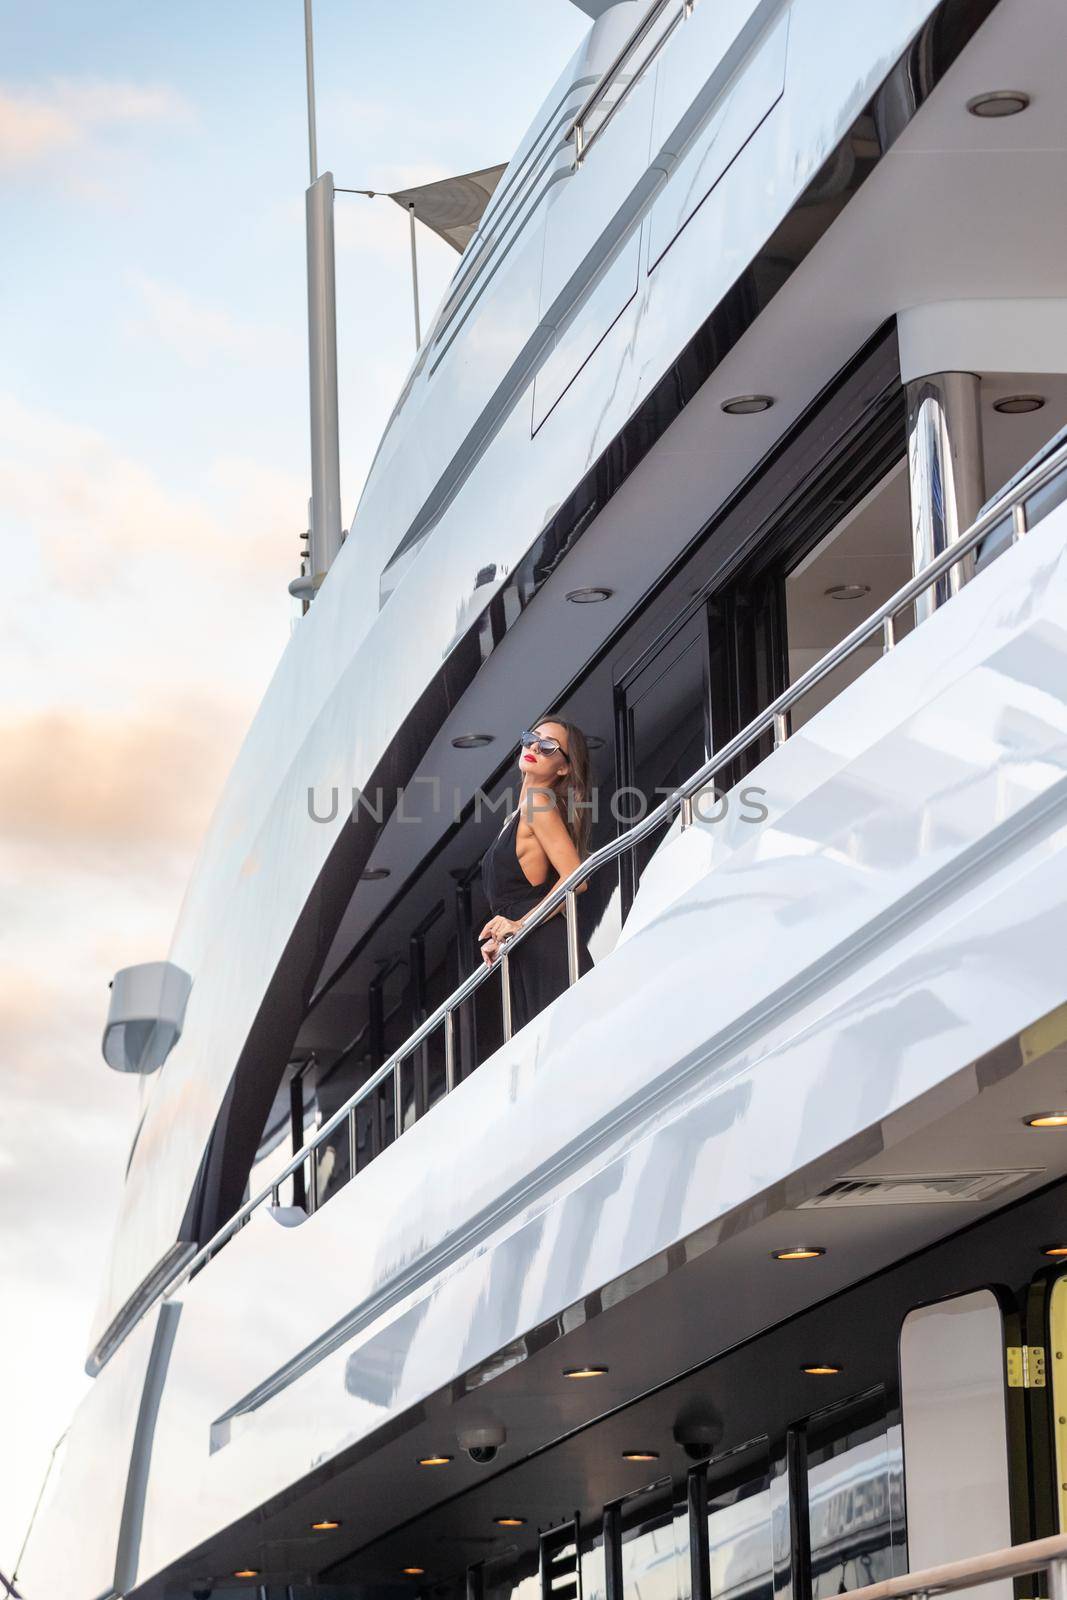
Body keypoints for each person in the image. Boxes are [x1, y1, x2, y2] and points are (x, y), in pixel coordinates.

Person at [478, 719, 594, 1031]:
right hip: (529, 950)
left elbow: (576, 876)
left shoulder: (537, 802)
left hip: (545, 947)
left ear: (563, 768)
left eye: (547, 747)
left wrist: (519, 924)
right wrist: (504, 935)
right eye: (532, 738)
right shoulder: (516, 814)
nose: (533, 748)